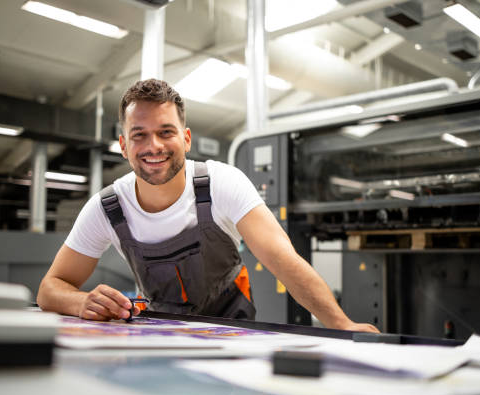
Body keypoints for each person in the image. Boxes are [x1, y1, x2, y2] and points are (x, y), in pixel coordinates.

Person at [37, 78, 378, 333]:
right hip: (158, 337)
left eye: (166, 132)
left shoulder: (222, 184)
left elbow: (284, 261)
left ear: (185, 138)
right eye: (139, 135)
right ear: (124, 146)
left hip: (232, 337)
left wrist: (341, 324)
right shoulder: (109, 208)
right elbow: (49, 289)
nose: (153, 146)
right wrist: (82, 302)